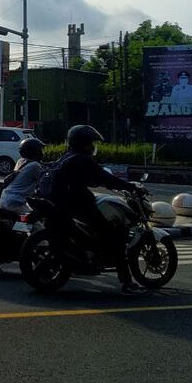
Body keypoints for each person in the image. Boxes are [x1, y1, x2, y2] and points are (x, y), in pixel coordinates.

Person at [49, 124, 145, 294]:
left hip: (61, 205)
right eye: (91, 143)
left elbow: (95, 180)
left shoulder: (65, 158)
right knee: (116, 236)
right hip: (78, 206)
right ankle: (126, 283)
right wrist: (131, 187)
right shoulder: (82, 160)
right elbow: (105, 178)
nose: (93, 146)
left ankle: (94, 254)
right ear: (83, 143)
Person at [0, 137, 46, 214]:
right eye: (40, 150)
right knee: (36, 220)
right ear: (34, 151)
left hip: (5, 199)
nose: (42, 152)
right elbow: (44, 182)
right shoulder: (35, 166)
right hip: (16, 202)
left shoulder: (21, 161)